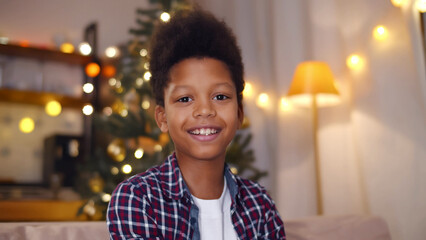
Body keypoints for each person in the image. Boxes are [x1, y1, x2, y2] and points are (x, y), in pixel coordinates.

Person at [107, 8, 286, 240]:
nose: (205, 110)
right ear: (162, 118)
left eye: (220, 96)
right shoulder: (137, 198)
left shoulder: (260, 204)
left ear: (239, 113)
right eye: (185, 99)